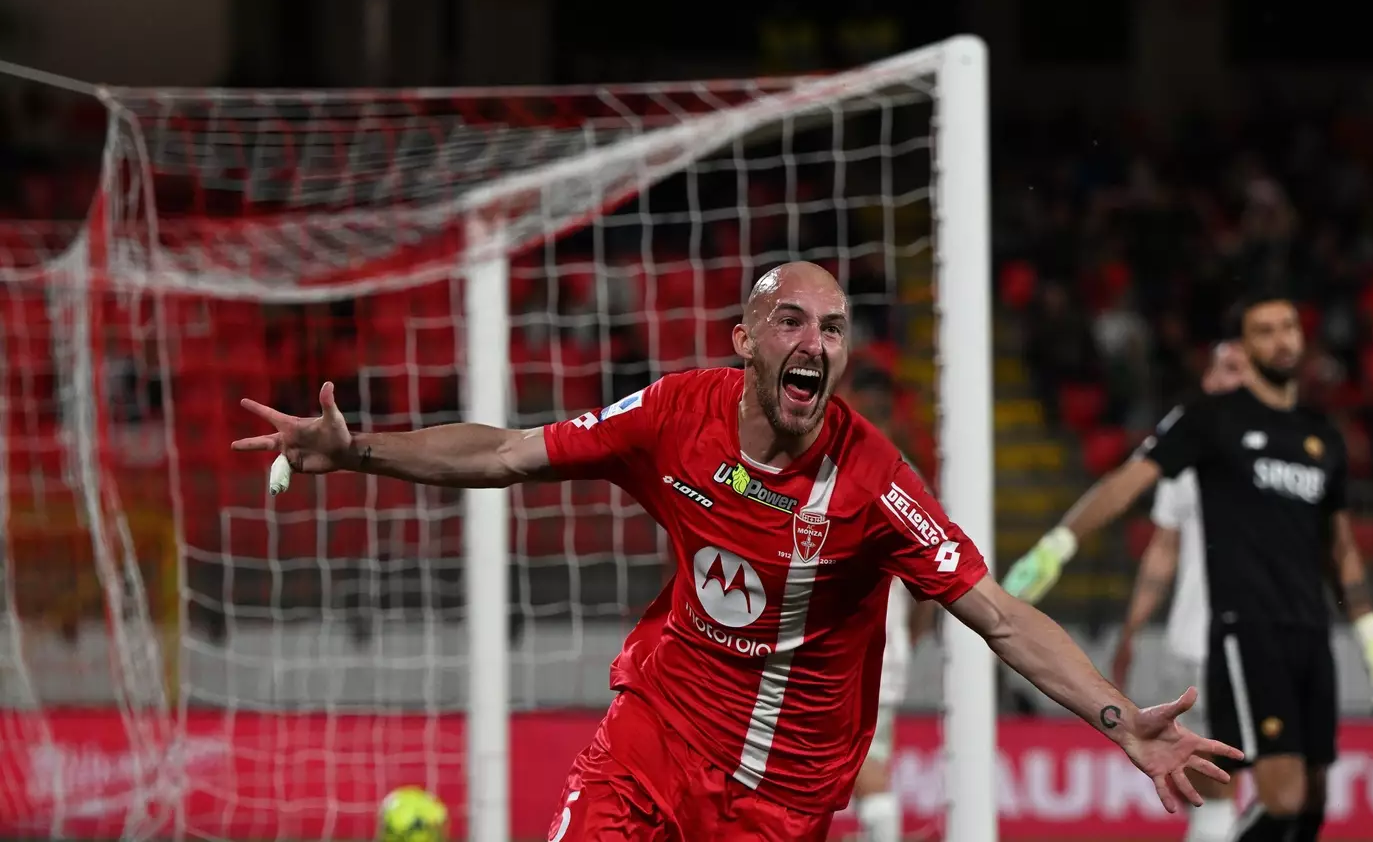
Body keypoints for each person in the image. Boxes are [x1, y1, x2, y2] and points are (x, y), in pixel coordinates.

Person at [235, 262, 1241, 842]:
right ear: (744, 341)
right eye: (793, 319)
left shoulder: (873, 477)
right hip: (658, 735)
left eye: (836, 327)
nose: (817, 339)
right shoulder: (674, 412)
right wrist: (357, 450)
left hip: (783, 795)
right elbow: (507, 450)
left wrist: (1121, 722)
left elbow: (998, 613)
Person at [1003, 293, 1373, 842]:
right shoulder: (1211, 423)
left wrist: (1369, 628)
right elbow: (1130, 482)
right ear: (1243, 345)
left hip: (1310, 631)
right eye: (1265, 330)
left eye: (1289, 327)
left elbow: (1340, 545)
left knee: (1312, 800)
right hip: (1245, 632)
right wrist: (1059, 543)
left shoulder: (1322, 437)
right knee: (1275, 797)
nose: (1281, 339)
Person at [1107, 341, 1251, 842]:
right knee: (1209, 781)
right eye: (1217, 369)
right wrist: (1130, 631)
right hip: (1198, 642)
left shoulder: (1280, 447)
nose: (1223, 379)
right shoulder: (1190, 451)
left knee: (1222, 784)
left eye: (1236, 369)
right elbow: (1164, 549)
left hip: (1251, 641)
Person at [843, 367, 939, 842]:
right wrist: (912, 635)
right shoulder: (908, 476)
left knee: (864, 769)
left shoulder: (841, 467)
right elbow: (931, 585)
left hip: (852, 652)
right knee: (867, 763)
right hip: (884, 647)